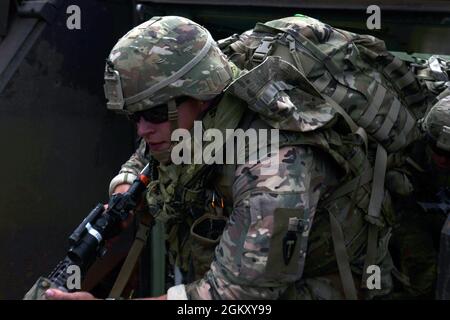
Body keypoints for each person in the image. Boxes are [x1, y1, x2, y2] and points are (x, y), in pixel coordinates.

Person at [45, 15, 402, 300]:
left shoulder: (275, 171)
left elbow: (236, 299)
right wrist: (125, 192)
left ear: (200, 94)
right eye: (132, 117)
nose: (141, 130)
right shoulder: (199, 101)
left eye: (152, 114)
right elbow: (152, 151)